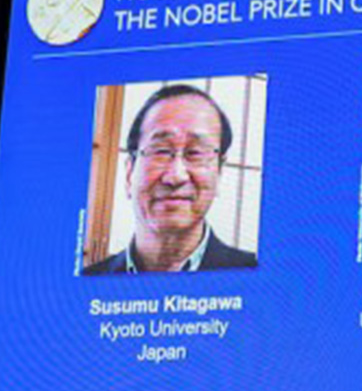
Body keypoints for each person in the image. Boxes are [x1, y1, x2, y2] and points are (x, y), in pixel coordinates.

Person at [84, 84, 257, 273]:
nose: (176, 176)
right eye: (161, 151)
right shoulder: (89, 279)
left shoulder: (255, 273)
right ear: (129, 173)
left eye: (195, 153)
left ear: (219, 172)